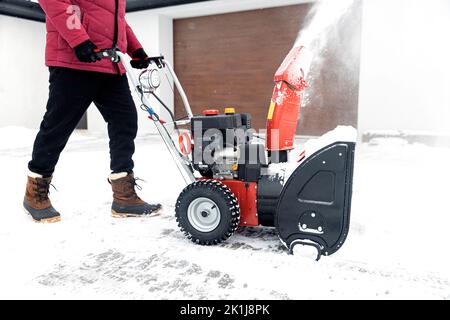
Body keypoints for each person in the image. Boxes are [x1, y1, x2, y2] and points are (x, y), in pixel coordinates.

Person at [24, 0, 161, 223]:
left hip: (109, 63)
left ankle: (123, 195)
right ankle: (35, 192)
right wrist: (80, 41)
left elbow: (117, 21)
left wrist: (136, 49)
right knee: (58, 126)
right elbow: (55, 3)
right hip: (74, 61)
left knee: (125, 122)